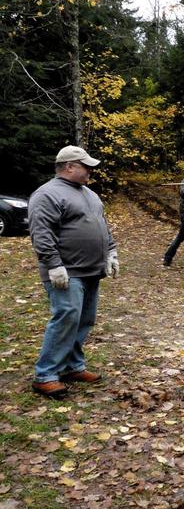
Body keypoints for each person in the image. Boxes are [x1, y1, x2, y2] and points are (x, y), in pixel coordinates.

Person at [28, 145, 119, 399]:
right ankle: (45, 375)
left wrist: (110, 252)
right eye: (85, 166)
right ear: (69, 166)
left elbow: (102, 225)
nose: (91, 170)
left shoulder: (89, 194)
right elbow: (41, 232)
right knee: (66, 318)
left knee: (84, 320)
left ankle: (71, 366)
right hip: (66, 272)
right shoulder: (47, 194)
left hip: (91, 270)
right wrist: (53, 264)